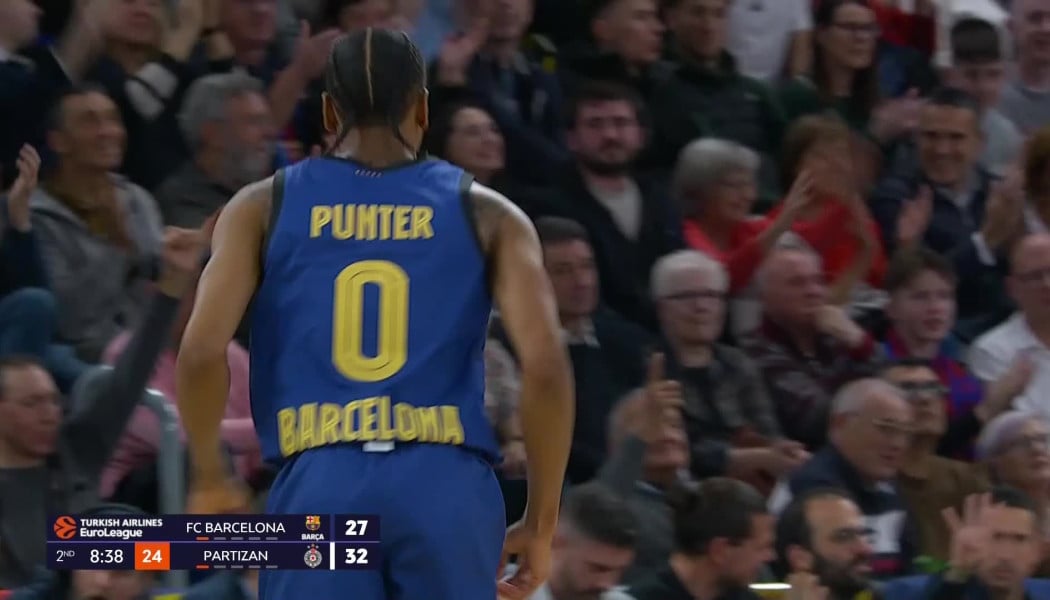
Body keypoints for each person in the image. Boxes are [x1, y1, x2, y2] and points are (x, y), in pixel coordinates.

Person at [175, 27, 574, 600]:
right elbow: (547, 369)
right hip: (446, 481)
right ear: (423, 109)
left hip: (321, 478)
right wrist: (540, 520)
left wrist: (210, 475)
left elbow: (200, 352)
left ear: (329, 113)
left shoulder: (262, 205)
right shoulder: (490, 212)